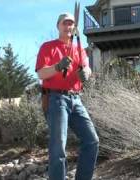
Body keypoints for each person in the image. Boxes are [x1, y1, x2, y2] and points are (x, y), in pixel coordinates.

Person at [35, 12, 99, 180]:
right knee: (58, 149)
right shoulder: (48, 47)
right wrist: (57, 67)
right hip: (55, 99)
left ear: (74, 27)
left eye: (71, 23)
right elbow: (41, 73)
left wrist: (86, 73)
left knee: (92, 141)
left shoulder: (79, 48)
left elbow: (87, 67)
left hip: (76, 99)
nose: (68, 26)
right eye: (65, 23)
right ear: (58, 26)